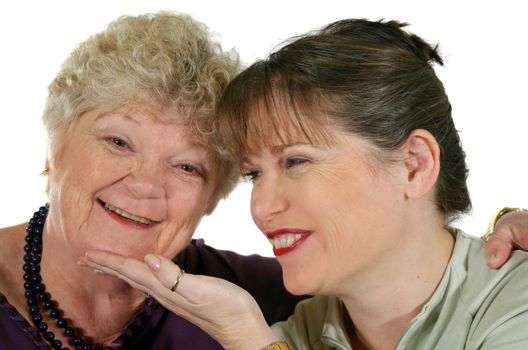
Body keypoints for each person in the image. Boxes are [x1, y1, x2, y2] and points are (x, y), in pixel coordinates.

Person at [84, 19, 528, 349]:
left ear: (413, 165)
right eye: (254, 174)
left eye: (296, 160)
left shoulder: (515, 304)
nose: (261, 207)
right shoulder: (299, 333)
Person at [0, 12, 305, 350]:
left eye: (187, 167)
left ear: (214, 195)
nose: (145, 185)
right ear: (53, 148)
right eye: (119, 143)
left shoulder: (271, 300)